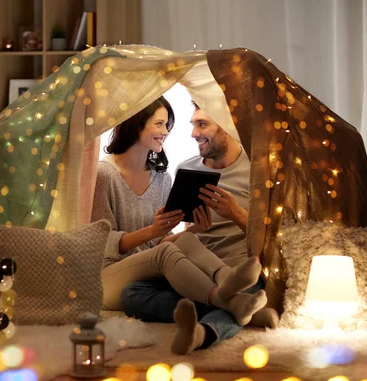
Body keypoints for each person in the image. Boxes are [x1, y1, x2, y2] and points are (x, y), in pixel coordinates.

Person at [90, 96, 268, 330]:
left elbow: (160, 241)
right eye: (159, 124)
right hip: (110, 271)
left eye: (167, 125)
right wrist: (153, 231)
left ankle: (226, 284)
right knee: (150, 272)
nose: (166, 132)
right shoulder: (104, 175)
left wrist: (195, 229)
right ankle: (223, 298)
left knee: (183, 239)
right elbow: (100, 243)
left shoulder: (162, 179)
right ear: (135, 123)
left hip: (153, 268)